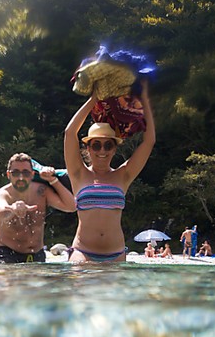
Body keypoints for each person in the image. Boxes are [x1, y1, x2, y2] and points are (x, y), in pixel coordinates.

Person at [64, 80, 155, 263]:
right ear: (88, 149)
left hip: (116, 254)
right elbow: (69, 132)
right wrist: (94, 98)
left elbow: (149, 141)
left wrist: (144, 99)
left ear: (114, 149)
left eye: (108, 145)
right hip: (83, 252)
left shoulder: (123, 175)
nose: (102, 151)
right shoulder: (78, 173)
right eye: (96, 145)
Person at [0, 152, 75, 263]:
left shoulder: (41, 191)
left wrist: (53, 180)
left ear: (32, 174)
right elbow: (0, 213)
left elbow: (71, 206)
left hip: (37, 254)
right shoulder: (2, 194)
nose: (21, 177)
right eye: (15, 173)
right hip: (7, 253)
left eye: (25, 173)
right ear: (8, 175)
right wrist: (13, 209)